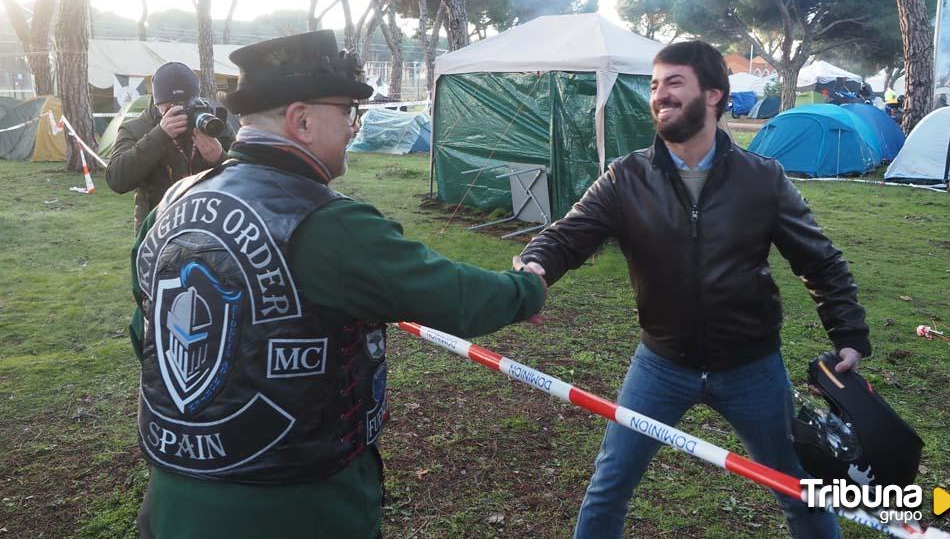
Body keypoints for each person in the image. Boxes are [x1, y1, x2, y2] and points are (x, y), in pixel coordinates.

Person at [128, 30, 545, 538]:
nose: (354, 126)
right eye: (348, 110)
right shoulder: (327, 222)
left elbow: (144, 335)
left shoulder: (171, 204)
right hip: (296, 509)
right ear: (301, 119)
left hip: (173, 501)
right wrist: (526, 288)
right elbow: (457, 298)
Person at [513, 41, 870, 539]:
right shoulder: (626, 176)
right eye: (654, 86)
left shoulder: (762, 179)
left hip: (752, 368)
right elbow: (568, 235)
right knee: (608, 488)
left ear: (714, 94)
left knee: (802, 496)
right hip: (661, 365)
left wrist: (849, 333)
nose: (659, 95)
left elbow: (820, 259)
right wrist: (534, 266)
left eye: (674, 83)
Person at [106, 62, 232, 232]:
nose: (180, 109)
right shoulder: (136, 128)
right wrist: (159, 135)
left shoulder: (212, 125)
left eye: (186, 103)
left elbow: (244, 175)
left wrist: (220, 158)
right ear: (157, 104)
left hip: (210, 227)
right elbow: (117, 180)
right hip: (157, 233)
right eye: (171, 106)